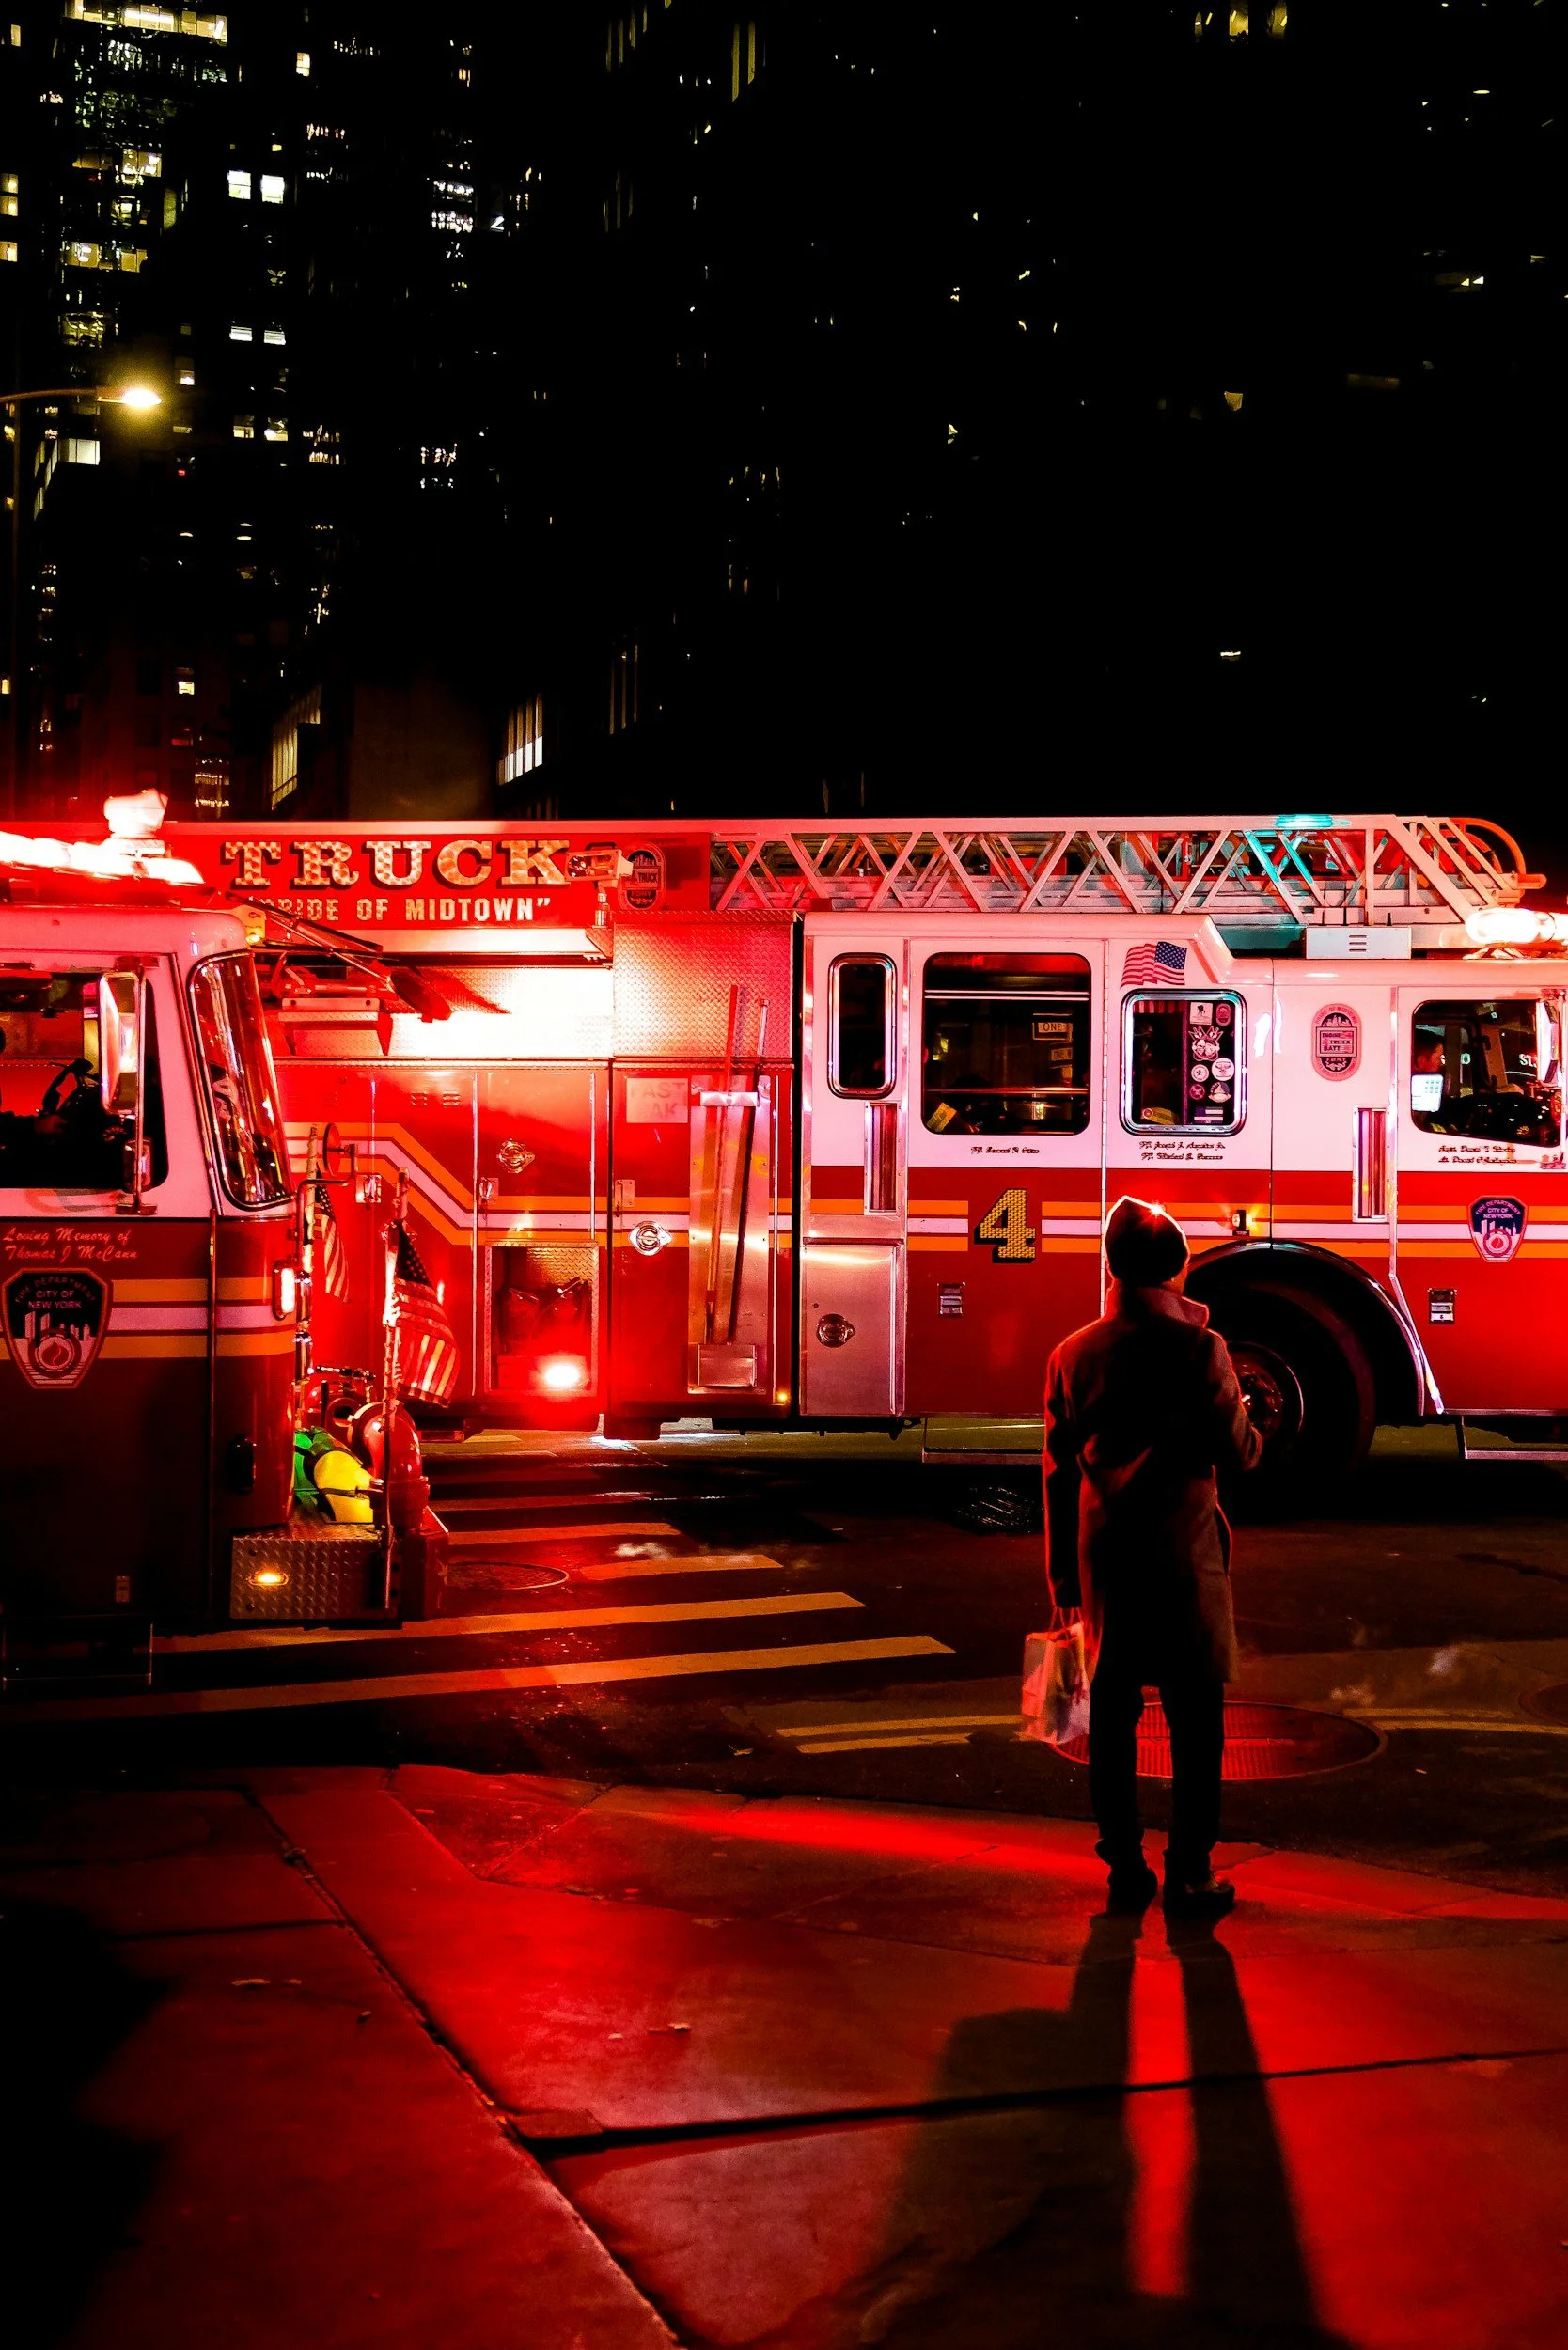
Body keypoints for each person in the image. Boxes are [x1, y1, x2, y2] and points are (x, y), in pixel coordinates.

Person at [1043, 1196, 1262, 1918]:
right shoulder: (1203, 1350)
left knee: (1109, 1718)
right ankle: (1191, 1872)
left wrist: (1062, 1581)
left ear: (1114, 1269)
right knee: (1195, 1721)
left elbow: (1058, 1473)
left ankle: (1123, 1866)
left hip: (1104, 1561)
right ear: (1179, 1269)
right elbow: (1239, 1450)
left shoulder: (1073, 1353)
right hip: (1184, 1557)